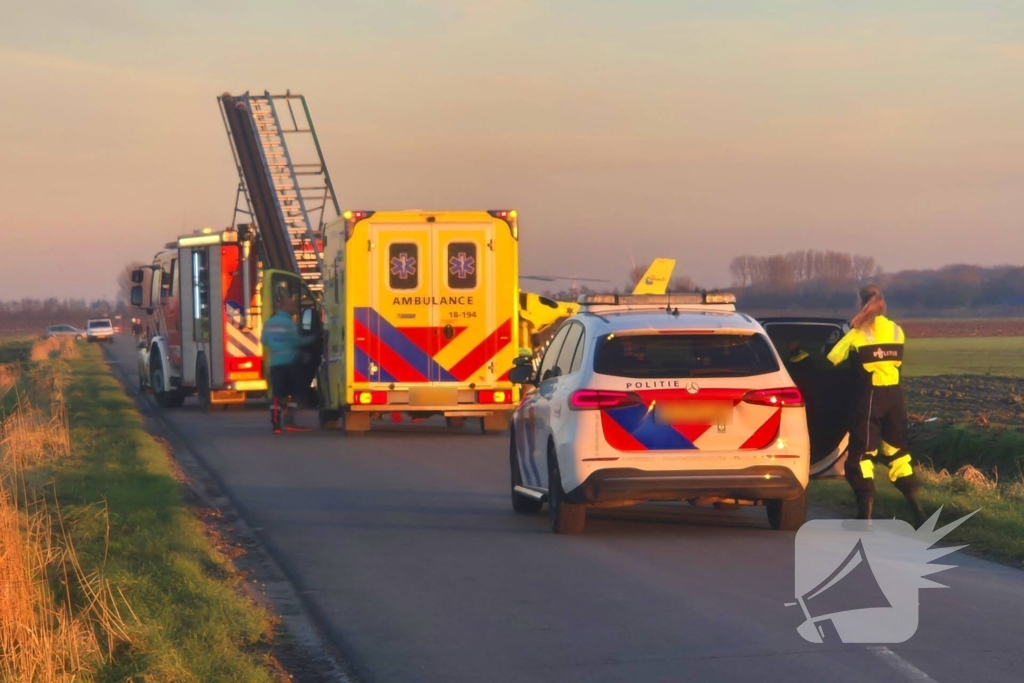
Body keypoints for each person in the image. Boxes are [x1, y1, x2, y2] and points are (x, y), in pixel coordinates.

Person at [827, 286, 926, 525]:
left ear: (861, 305)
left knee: (861, 457)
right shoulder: (896, 330)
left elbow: (832, 356)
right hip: (895, 399)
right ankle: (919, 513)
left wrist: (849, 330)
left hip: (869, 398)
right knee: (899, 455)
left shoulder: (857, 333)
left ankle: (865, 516)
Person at [260, 291, 316, 434]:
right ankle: (289, 419)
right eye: (292, 305)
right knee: (297, 391)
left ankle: (276, 423)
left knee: (277, 394)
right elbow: (297, 341)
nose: (294, 308)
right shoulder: (290, 323)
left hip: (275, 363)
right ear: (285, 306)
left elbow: (264, 340)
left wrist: (276, 345)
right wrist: (315, 337)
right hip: (291, 362)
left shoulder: (269, 323)